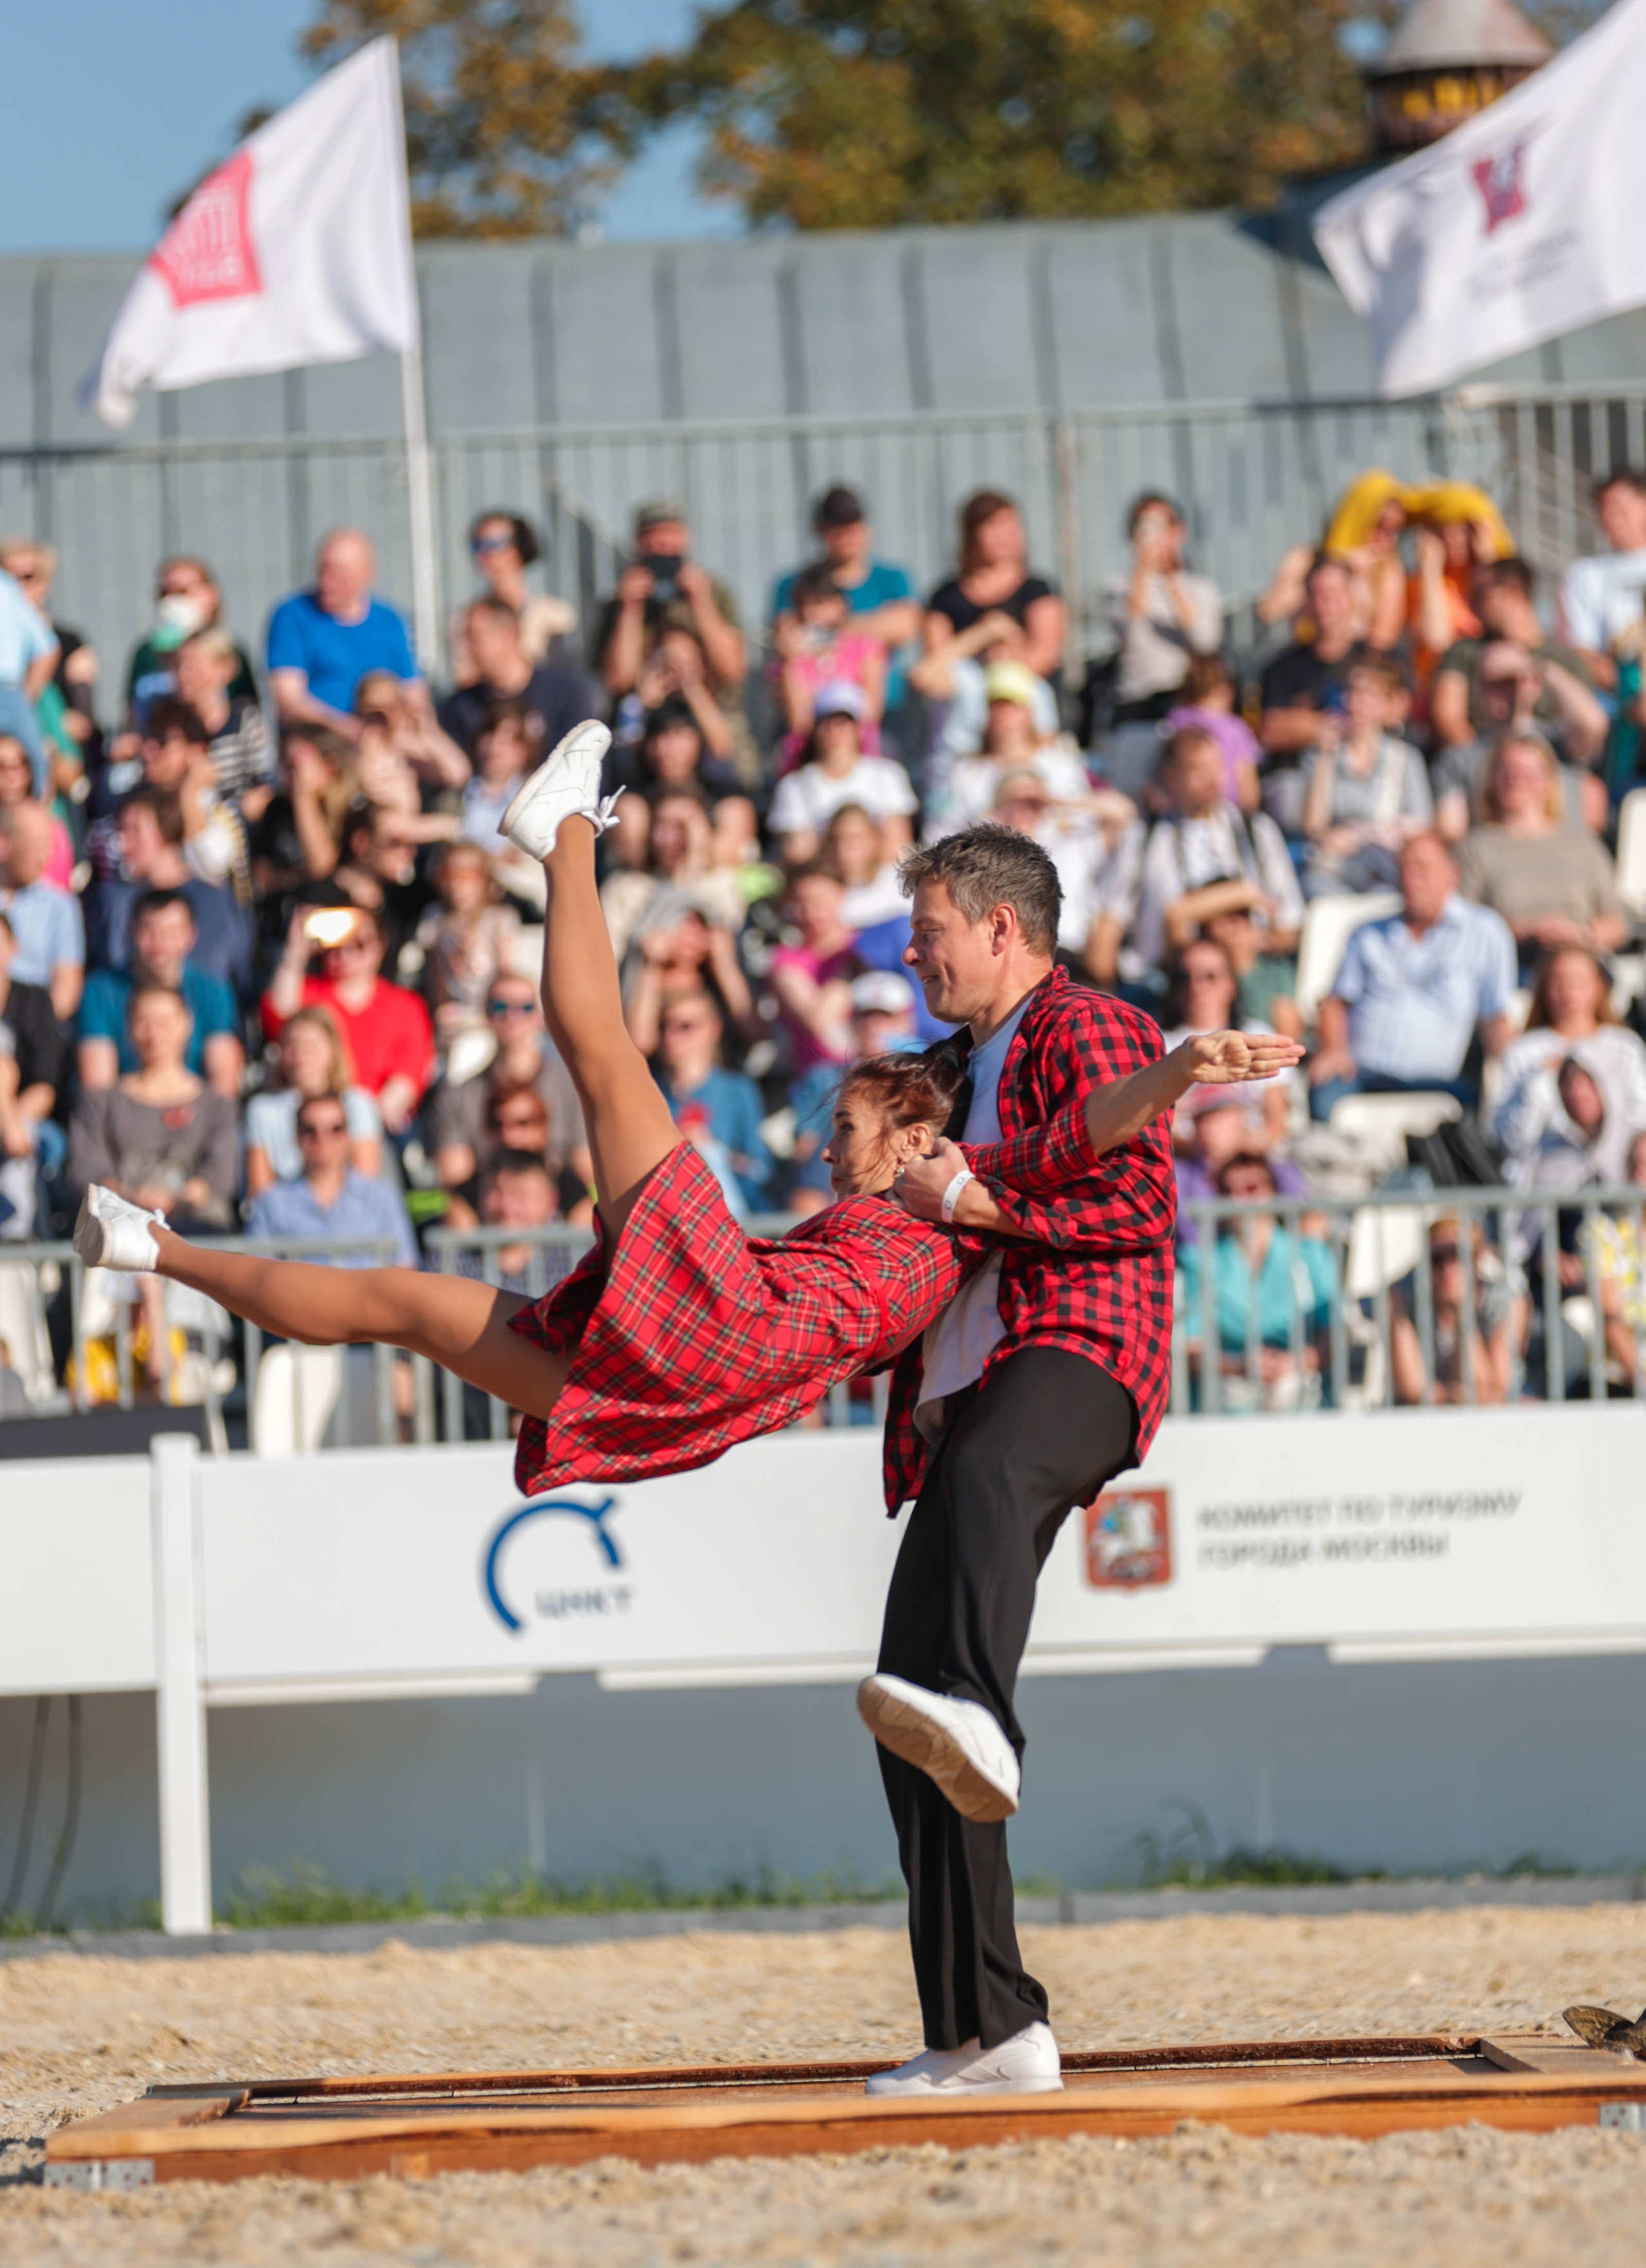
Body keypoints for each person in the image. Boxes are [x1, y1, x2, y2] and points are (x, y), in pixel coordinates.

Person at [77, 735, 1294, 2053]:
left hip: (781, 1325)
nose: (907, 956)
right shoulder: (935, 1131)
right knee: (413, 1308)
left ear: (1000, 931)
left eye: (927, 932)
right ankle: (159, 1249)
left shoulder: (1017, 1085)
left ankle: (568, 838)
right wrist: (951, 1245)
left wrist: (1109, 1106)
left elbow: (1092, 1158)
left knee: (598, 1060)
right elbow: (1003, 1194)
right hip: (738, 1346)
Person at [1308, 832, 1517, 1121]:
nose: (1410, 878)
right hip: (1360, 1073)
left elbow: (1495, 1018)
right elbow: (1335, 1002)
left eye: (1422, 868)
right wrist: (1333, 1048)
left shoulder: (1484, 932)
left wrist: (1513, 1072)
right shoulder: (1367, 932)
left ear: (1451, 875)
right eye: (1404, 868)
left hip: (1436, 1082)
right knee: (1322, 1100)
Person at [1090, 726, 1302, 993]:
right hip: (1159, 985)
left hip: (1244, 982)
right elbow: (1107, 926)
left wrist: (1251, 942)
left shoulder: (1257, 832)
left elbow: (1290, 928)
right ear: (1171, 777)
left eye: (1218, 767)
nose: (1213, 780)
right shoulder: (1143, 837)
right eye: (1198, 771)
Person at [1431, 559, 1606, 819]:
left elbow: (1593, 725)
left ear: (1512, 593)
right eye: (1493, 684)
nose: (1473, 603)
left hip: (1554, 808)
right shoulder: (1467, 651)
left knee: (1589, 790)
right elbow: (1448, 718)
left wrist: (1538, 668)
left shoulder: (1563, 662)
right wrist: (1500, 760)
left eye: (1483, 594)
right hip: (1485, 764)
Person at [1175, 1153, 1334, 1412]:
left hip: (1303, 1396)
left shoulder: (1310, 1254)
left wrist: (1294, 1363)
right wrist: (1238, 1365)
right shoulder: (1200, 1262)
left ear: (1273, 1193)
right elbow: (1190, 1348)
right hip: (1229, 1400)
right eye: (1228, 1191)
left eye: (1252, 1188)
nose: (1240, 1199)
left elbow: (1333, 1335)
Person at [262, 903, 435, 1137]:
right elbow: (279, 1019)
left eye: (359, 944)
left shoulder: (406, 1005)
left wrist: (366, 1120)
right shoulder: (309, 995)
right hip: (311, 1123)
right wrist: (295, 950)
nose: (345, 953)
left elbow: (411, 1069)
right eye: (337, 944)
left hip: (377, 1125)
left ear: (380, 944)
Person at [1456, 731, 1626, 968]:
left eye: (1528, 773)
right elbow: (1460, 924)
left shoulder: (1582, 844)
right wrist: (1520, 932)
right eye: (1507, 772)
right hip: (1510, 964)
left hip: (1579, 965)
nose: (1517, 781)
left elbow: (1617, 924)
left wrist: (1580, 935)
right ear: (1492, 780)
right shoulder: (1476, 847)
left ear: (1548, 781)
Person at [595, 501, 748, 758]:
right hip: (644, 730)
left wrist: (701, 603)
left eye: (670, 535)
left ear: (686, 539)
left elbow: (731, 670)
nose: (662, 544)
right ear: (637, 543)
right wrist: (629, 611)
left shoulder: (714, 593)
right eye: (651, 537)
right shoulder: (618, 603)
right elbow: (618, 682)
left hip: (710, 721)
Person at [424, 969, 591, 1196]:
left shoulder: (572, 1090)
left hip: (555, 1210)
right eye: (501, 1007)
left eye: (525, 1007)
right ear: (486, 1013)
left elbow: (586, 1172)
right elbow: (456, 1181)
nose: (512, 1017)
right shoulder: (457, 1096)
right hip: (491, 1209)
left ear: (540, 1017)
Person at [1492, 949, 1646, 1182]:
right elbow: (1510, 1140)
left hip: (1617, 1185)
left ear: (1599, 987)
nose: (1569, 992)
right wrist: (1541, 1082)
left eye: (1580, 982)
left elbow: (1640, 1119)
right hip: (1544, 1192)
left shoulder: (1625, 1046)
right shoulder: (1524, 1052)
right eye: (1559, 982)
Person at [77, 888, 242, 1099]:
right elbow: (97, 1087)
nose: (159, 944)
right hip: (125, 1116)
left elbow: (223, 1081)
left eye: (171, 932)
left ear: (191, 935)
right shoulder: (100, 990)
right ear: (131, 931)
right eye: (149, 931)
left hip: (194, 1117)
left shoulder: (214, 992)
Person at [84, 783, 249, 993]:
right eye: (121, 830)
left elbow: (225, 967)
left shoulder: (215, 900)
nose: (122, 844)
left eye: (135, 831)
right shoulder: (114, 900)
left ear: (167, 830)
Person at [787, 969, 922, 1216]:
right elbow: (804, 1148)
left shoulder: (923, 1077)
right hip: (829, 1181)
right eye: (865, 1016)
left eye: (885, 1017)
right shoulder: (821, 1077)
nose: (873, 1026)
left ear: (906, 1021)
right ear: (852, 1021)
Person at [1297, 654, 1433, 898]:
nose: (1356, 702)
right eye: (1351, 692)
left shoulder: (1406, 759)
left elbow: (1420, 827)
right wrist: (1324, 759)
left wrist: (1361, 834)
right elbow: (1313, 826)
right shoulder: (1321, 755)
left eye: (1368, 695)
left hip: (1385, 870)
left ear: (1388, 705)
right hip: (1333, 870)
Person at [266, 530, 418, 740]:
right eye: (323, 571)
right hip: (320, 740)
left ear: (367, 574)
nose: (327, 582)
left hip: (381, 739)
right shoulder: (293, 616)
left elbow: (413, 692)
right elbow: (289, 698)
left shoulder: (390, 621)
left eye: (340, 574)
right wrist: (349, 729)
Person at [1255, 555, 1368, 829]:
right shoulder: (1281, 667)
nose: (1324, 604)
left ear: (1351, 598)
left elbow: (1393, 713)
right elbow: (1271, 731)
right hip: (1300, 791)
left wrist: (1303, 724)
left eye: (1333, 594)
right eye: (1316, 595)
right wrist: (1335, 727)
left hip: (1362, 791)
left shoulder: (1375, 660)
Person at [245, 1090, 417, 1267]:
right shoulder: (270, 1203)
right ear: (296, 1137)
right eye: (309, 1130)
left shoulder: (381, 1197)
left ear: (348, 1137)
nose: (322, 1139)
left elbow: (404, 1265)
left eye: (335, 1129)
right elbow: (258, 1276)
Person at [926, 661, 1096, 841]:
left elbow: (1086, 824)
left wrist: (1047, 803)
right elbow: (940, 832)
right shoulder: (965, 772)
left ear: (1030, 712)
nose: (1004, 714)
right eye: (996, 706)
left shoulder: (1061, 766)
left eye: (1013, 705)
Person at [772, 486, 922, 682]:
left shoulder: (893, 579)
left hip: (882, 706)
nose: (846, 535)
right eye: (836, 527)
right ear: (820, 531)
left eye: (852, 525)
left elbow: (903, 629)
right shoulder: (793, 584)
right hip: (819, 705)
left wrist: (827, 630)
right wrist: (875, 625)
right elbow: (790, 643)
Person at [923, 491, 1065, 688]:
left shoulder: (1037, 591)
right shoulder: (945, 598)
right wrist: (984, 634)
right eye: (995, 526)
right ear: (972, 534)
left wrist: (1007, 660)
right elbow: (933, 667)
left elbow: (1046, 656)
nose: (1007, 536)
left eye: (1013, 526)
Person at [1103, 493, 1222, 723]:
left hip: (1187, 702)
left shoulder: (1201, 588)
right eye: (1144, 526)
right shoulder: (1116, 588)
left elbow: (1205, 644)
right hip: (1136, 703)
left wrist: (1172, 582)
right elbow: (1131, 636)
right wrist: (1142, 571)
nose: (1154, 536)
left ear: (1179, 532)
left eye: (1161, 526)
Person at [652, 986, 773, 1213]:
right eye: (664, 1026)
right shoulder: (650, 1093)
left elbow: (760, 1169)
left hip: (728, 1216)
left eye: (686, 1027)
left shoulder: (738, 1091)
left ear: (714, 1029)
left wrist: (711, 1149)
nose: (672, 1036)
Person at [766, 686, 918, 864]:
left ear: (859, 728)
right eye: (826, 722)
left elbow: (898, 847)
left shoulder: (888, 775)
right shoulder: (793, 786)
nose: (834, 731)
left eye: (843, 722)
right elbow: (798, 855)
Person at [244, 1006, 383, 1198]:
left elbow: (366, 1184)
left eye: (311, 1048)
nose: (301, 1057)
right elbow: (260, 1193)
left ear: (332, 1051)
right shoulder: (263, 1110)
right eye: (293, 1047)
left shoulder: (359, 1105)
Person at [439, 597, 594, 766]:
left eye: (475, 639)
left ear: (509, 637)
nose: (467, 649)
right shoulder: (461, 707)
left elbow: (583, 765)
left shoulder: (565, 694)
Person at [1391, 1217, 1515, 1407]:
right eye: (1437, 1258)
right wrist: (1459, 1397)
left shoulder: (1501, 1300)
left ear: (1476, 1259)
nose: (1447, 1268)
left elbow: (1491, 1392)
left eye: (1458, 1255)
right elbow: (1412, 1390)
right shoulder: (1401, 1299)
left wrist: (1462, 1313)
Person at [125, 557, 256, 729]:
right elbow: (131, 717)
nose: (171, 601)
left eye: (182, 592)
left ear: (211, 595)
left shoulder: (232, 650)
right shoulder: (146, 652)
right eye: (164, 593)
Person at [773, 568, 888, 760]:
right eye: (804, 605)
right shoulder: (790, 660)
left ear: (840, 605)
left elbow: (871, 714)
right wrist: (789, 662)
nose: (810, 614)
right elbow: (799, 722)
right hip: (807, 759)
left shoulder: (867, 649)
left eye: (819, 604)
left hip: (860, 757)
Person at [449, 511, 575, 684]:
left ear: (518, 547)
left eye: (495, 544)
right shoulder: (465, 620)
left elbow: (563, 677)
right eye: (477, 545)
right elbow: (465, 680)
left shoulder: (555, 614)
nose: (485, 555)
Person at [415, 842, 521, 1042]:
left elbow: (506, 972)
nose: (457, 883)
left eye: (468, 875)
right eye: (449, 874)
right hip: (455, 1012)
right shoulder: (435, 919)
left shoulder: (500, 918)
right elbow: (436, 977)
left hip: (491, 1012)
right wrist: (438, 1012)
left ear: (485, 879)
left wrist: (498, 1012)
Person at [0, 908, 65, 1220]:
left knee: (36, 1143)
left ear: (14, 947)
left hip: (28, 1122)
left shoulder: (34, 1001)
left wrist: (10, 1120)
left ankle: (18, 1235)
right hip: (11, 1125)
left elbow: (45, 1087)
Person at [1559, 469, 1646, 691]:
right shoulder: (1585, 573)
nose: (1611, 516)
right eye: (1603, 508)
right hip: (1618, 690)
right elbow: (1582, 648)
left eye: (1619, 507)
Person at [172, 627, 273, 813]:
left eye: (193, 666)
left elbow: (265, 778)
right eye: (178, 665)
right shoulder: (170, 723)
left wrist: (256, 802)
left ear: (225, 669)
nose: (182, 674)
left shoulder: (246, 718)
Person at [0, 800, 83, 1020]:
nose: (44, 857)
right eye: (36, 846)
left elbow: (66, 989)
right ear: (4, 844)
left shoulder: (61, 906)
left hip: (35, 1028)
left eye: (47, 846)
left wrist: (33, 1029)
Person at [1164, 654, 1260, 815]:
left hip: (1181, 810)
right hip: (1224, 813)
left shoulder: (1175, 719)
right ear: (1227, 691)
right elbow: (1249, 789)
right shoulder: (1237, 728)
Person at [0, 551, 59, 794]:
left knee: (36, 767)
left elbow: (47, 648)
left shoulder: (6, 589)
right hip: (10, 692)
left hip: (9, 690)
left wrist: (24, 697)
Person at [0, 734, 72, 887]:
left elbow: (60, 884)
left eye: (18, 765)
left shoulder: (50, 827)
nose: (10, 775)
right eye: (1, 767)